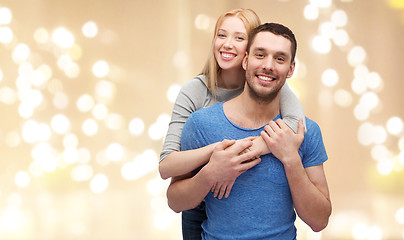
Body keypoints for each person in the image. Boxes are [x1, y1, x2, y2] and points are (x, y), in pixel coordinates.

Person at [166, 22, 332, 239]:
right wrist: (209, 174)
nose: (269, 66)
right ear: (245, 60)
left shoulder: (305, 131)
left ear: (291, 69)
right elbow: (175, 202)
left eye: (280, 58)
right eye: (260, 55)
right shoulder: (201, 124)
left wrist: (291, 159)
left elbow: (319, 221)